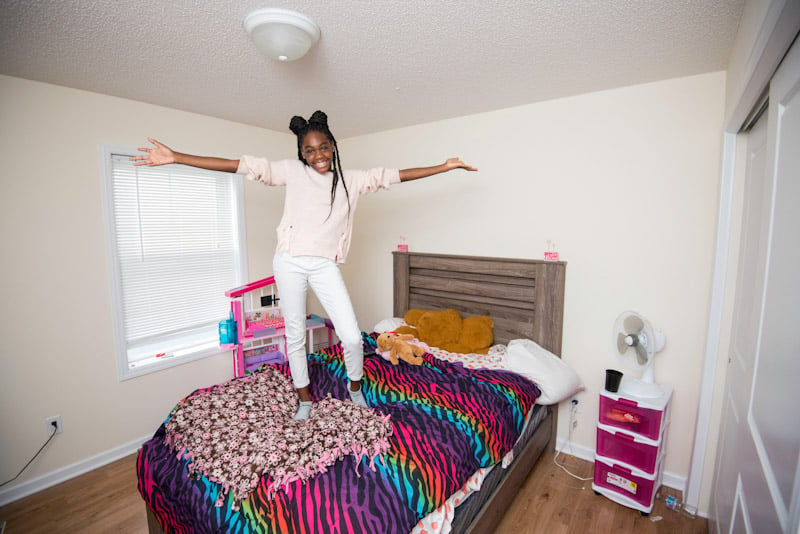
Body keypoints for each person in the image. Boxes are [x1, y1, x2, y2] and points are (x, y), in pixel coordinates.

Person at [132, 111, 477, 419]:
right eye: (310, 150)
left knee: (352, 338)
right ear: (301, 153)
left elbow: (397, 175)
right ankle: (304, 400)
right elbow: (238, 165)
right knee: (295, 334)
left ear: (332, 145)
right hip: (289, 263)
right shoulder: (292, 172)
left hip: (324, 265)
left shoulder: (351, 180)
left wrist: (443, 167)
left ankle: (355, 390)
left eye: (323, 147)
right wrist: (176, 157)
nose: (318, 155)